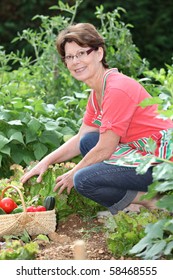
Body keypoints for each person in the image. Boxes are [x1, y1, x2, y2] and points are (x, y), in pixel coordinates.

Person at [21, 23, 173, 215]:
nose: (76, 61)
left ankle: (151, 200)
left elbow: (106, 148)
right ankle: (133, 203)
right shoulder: (97, 92)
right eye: (69, 56)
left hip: (163, 164)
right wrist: (45, 161)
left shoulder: (117, 88)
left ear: (99, 53)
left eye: (82, 53)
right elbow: (80, 138)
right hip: (142, 154)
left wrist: (73, 172)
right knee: (88, 142)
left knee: (83, 179)